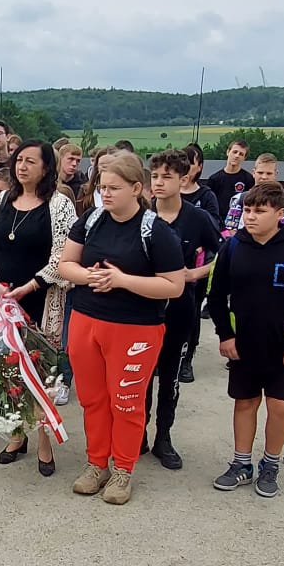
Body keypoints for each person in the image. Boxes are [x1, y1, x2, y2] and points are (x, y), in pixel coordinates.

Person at [57, 151, 187, 505]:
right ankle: (96, 463)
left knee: (126, 403)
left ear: (136, 188)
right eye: (102, 186)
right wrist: (90, 276)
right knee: (93, 400)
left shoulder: (155, 231)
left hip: (135, 328)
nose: (106, 193)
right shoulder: (91, 219)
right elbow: (65, 264)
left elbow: (174, 286)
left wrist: (122, 280)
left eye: (114, 187)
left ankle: (123, 469)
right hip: (86, 320)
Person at [206, 182, 284, 499]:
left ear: (279, 213)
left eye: (259, 211)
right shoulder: (232, 247)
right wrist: (225, 335)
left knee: (280, 406)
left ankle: (270, 465)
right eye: (247, 210)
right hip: (242, 345)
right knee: (245, 403)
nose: (251, 216)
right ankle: (241, 464)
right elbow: (214, 296)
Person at [0, 139, 80, 475]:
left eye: (30, 161)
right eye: (19, 160)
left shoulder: (60, 205)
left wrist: (30, 286)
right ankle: (17, 434)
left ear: (46, 167)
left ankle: (44, 441)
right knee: (7, 370)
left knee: (40, 372)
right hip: (3, 300)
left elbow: (63, 256)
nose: (22, 166)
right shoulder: (4, 199)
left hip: (39, 299)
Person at [142, 149, 222, 471]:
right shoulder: (141, 214)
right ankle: (138, 433)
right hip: (142, 310)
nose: (159, 183)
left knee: (170, 377)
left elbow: (223, 254)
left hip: (180, 308)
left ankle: (163, 436)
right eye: (154, 176)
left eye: (167, 176)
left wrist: (194, 273)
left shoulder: (197, 218)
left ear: (184, 178)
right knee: (141, 376)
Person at [174, 142, 222, 384]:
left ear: (199, 167)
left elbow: (214, 227)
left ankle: (186, 359)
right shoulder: (166, 195)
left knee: (191, 313)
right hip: (168, 266)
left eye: (189, 162)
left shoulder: (206, 196)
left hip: (195, 264)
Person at [206, 139, 255, 219]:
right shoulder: (214, 179)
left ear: (244, 158)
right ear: (228, 152)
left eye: (241, 154)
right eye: (235, 152)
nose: (237, 156)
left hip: (238, 220)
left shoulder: (249, 179)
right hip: (218, 221)